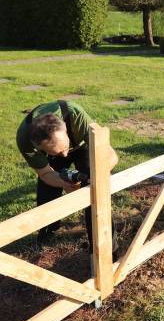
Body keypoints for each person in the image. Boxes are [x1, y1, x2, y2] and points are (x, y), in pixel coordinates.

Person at [16, 100, 119, 253]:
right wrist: (63, 183)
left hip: (82, 145)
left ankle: (105, 249)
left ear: (64, 128)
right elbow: (45, 173)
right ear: (38, 147)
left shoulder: (74, 114)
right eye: (58, 152)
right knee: (47, 191)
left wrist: (98, 175)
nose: (64, 154)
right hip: (51, 153)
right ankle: (48, 230)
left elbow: (111, 155)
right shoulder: (25, 140)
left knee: (95, 194)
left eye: (64, 147)